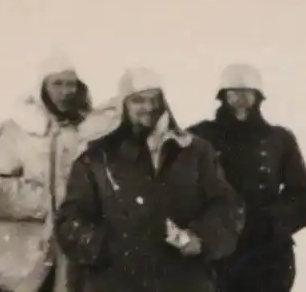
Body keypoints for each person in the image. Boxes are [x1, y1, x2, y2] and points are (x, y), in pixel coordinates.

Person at [54, 67, 245, 292]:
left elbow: (226, 205)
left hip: (183, 281)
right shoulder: (96, 157)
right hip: (115, 282)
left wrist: (201, 238)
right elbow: (70, 220)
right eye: (138, 100)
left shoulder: (195, 151)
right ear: (123, 105)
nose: (149, 107)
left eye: (156, 99)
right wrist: (106, 246)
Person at [0, 52, 98, 292]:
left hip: (70, 254)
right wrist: (45, 201)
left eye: (71, 84)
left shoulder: (89, 131)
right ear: (43, 88)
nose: (66, 91)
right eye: (57, 84)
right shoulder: (19, 128)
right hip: (22, 254)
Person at [188, 63, 306, 292]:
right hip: (218, 251)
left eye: (247, 93)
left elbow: (302, 194)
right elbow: (178, 186)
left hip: (268, 253)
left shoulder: (279, 139)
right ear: (222, 96)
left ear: (258, 97)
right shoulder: (200, 136)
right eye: (233, 92)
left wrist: (272, 222)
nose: (240, 99)